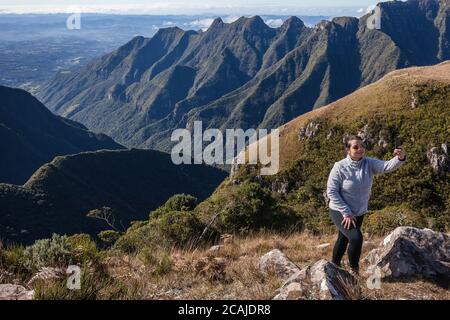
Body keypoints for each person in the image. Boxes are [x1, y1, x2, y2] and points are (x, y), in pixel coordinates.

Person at [326, 135, 407, 275]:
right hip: (340, 210)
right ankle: (354, 270)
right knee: (356, 238)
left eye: (362, 146)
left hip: (359, 211)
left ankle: (334, 266)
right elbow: (331, 192)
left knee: (344, 237)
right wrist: (346, 212)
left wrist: (400, 158)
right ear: (348, 150)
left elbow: (386, 166)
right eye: (355, 147)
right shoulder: (339, 167)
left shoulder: (368, 163)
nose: (360, 149)